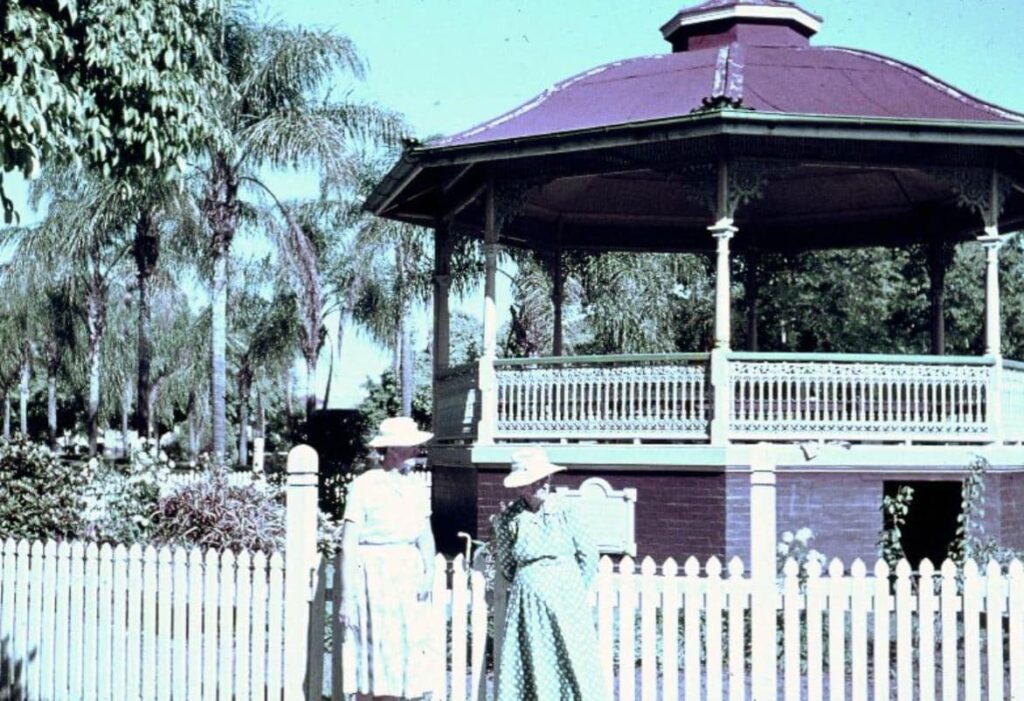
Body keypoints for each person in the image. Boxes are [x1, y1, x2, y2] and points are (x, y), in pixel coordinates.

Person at [492, 447, 610, 701]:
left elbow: (588, 554)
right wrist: (533, 580)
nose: (541, 484)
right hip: (529, 603)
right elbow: (508, 564)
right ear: (521, 486)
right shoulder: (508, 519)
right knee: (535, 656)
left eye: (544, 478)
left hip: (568, 599)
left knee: (573, 655)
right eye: (533, 481)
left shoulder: (568, 511)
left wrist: (572, 587)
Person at [340, 417, 436, 701]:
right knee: (376, 648)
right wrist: (347, 596)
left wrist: (428, 571)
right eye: (411, 444)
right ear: (393, 448)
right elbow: (349, 542)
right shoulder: (364, 485)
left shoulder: (417, 487)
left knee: (407, 647)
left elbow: (425, 535)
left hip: (407, 576)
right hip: (374, 577)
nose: (417, 448)